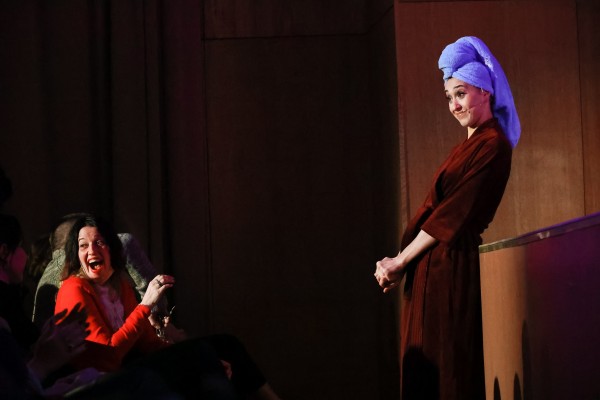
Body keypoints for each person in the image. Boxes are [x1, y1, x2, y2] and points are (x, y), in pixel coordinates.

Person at [374, 36, 520, 400]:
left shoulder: (493, 144)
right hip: (433, 264)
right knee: (426, 368)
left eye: (461, 94)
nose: (454, 105)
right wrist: (403, 262)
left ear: (485, 91)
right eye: (449, 97)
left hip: (451, 264)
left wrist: (400, 261)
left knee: (447, 368)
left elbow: (453, 214)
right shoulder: (470, 144)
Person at [55, 214, 281, 399]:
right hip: (102, 379)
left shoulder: (119, 285)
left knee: (222, 345)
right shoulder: (75, 288)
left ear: (112, 249)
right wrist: (145, 306)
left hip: (130, 364)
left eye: (99, 242)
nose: (91, 251)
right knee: (199, 358)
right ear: (76, 254)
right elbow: (108, 357)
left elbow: (147, 342)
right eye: (83, 246)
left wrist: (197, 359)